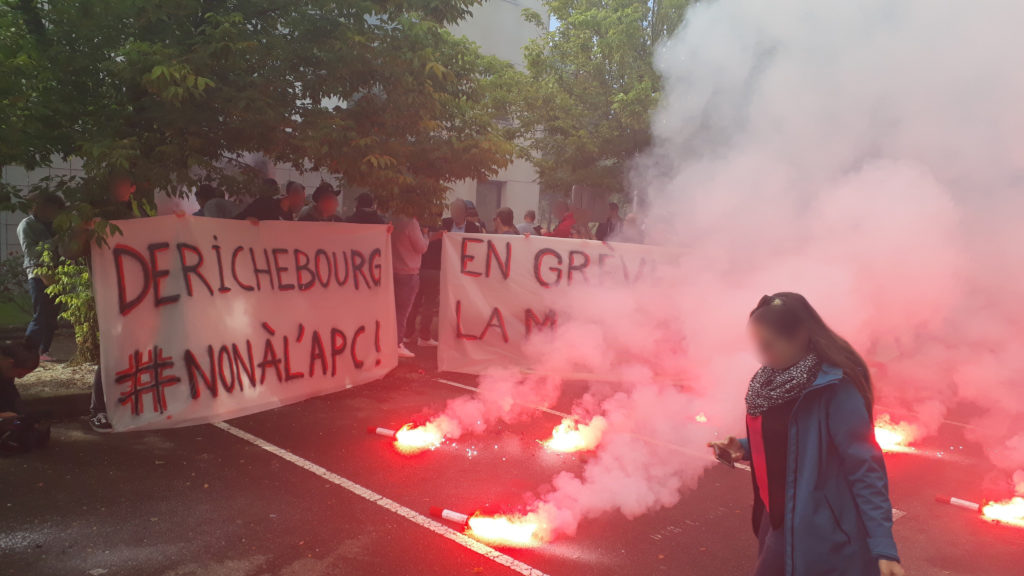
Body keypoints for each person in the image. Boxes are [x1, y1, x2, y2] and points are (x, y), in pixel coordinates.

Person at [708, 293, 904, 576]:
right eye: (758, 346)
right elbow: (790, 444)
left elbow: (865, 468)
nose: (762, 355)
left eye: (769, 345)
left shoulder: (835, 388)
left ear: (800, 335)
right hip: (776, 521)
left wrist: (883, 547)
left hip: (820, 534)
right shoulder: (772, 380)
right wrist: (743, 447)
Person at [18, 192, 66, 362]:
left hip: (58, 272)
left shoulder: (57, 224)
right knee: (41, 314)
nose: (53, 213)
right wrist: (55, 241)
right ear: (38, 207)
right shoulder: (27, 225)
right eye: (50, 208)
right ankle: (27, 351)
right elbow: (31, 253)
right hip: (38, 272)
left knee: (52, 315)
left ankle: (43, 351)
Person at [0, 339, 49, 454]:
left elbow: (12, 397)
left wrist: (24, 417)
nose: (20, 377)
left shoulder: (5, 371)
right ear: (10, 363)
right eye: (20, 373)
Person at [391, 212, 429, 358]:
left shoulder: (392, 218)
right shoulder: (411, 222)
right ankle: (397, 343)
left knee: (393, 310)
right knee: (402, 312)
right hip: (408, 272)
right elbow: (421, 247)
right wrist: (425, 235)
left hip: (392, 270)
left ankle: (392, 341)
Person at [235, 179, 305, 221]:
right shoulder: (263, 204)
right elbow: (235, 221)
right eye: (301, 199)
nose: (302, 204)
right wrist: (246, 221)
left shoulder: (289, 215)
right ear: (292, 196)